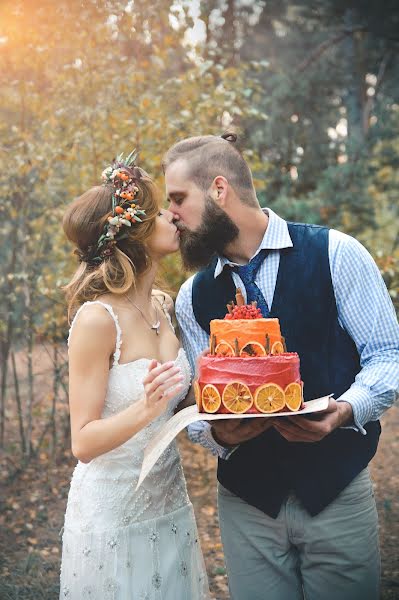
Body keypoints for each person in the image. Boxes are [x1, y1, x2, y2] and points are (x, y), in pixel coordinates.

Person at [162, 133, 399, 600]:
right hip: (247, 505)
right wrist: (218, 435)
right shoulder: (193, 296)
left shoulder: (336, 254)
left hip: (336, 493)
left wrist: (346, 410)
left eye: (178, 198)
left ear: (218, 189)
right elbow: (196, 402)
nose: (172, 214)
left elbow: (388, 355)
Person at [59, 152, 210, 599]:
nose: (172, 217)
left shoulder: (164, 306)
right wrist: (146, 408)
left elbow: (180, 402)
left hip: (169, 504)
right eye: (161, 210)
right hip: (112, 514)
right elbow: (83, 442)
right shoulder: (97, 319)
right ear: (134, 232)